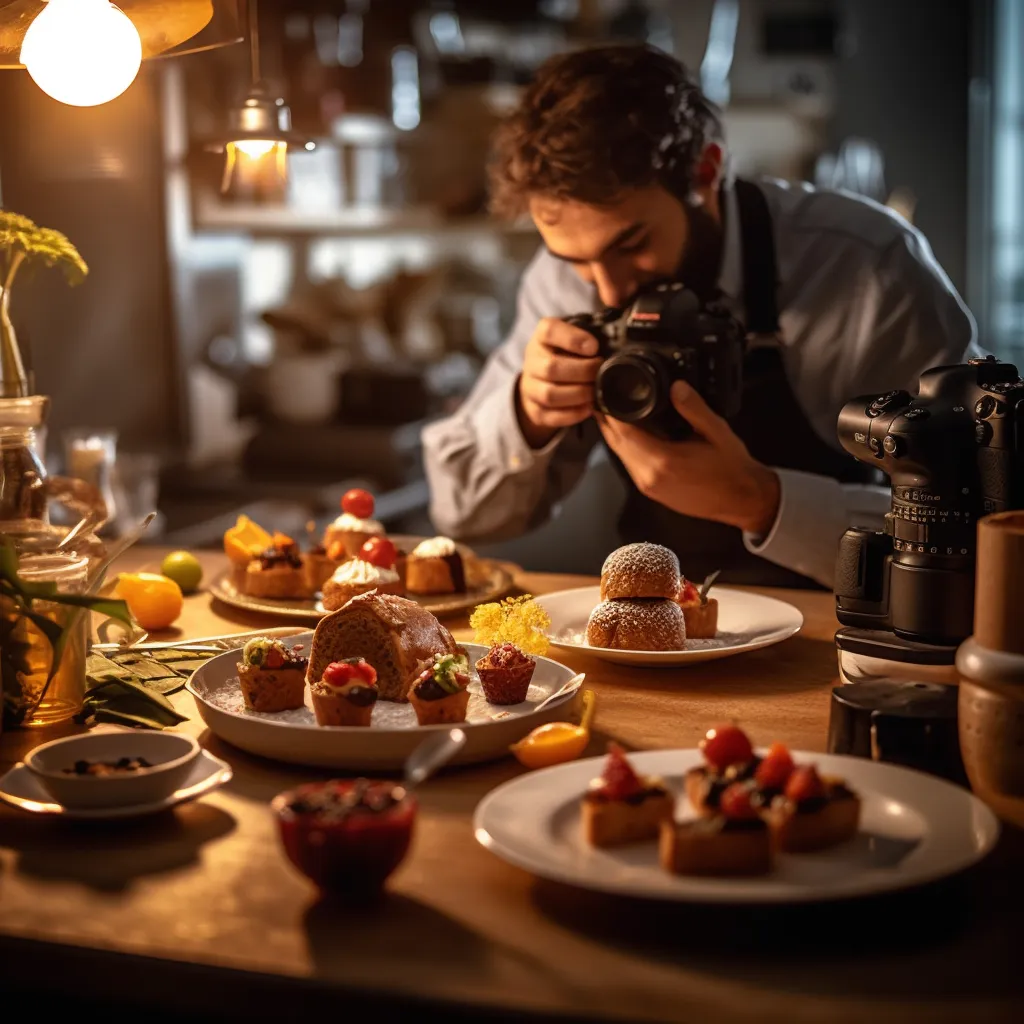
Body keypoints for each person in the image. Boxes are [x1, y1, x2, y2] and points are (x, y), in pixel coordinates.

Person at [421, 44, 980, 589]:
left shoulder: (864, 266)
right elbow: (462, 515)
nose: (608, 288)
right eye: (577, 262)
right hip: (660, 630)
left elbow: (980, 526)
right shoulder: (565, 276)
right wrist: (527, 414)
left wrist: (762, 500)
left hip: (850, 627)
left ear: (705, 172)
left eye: (631, 243)